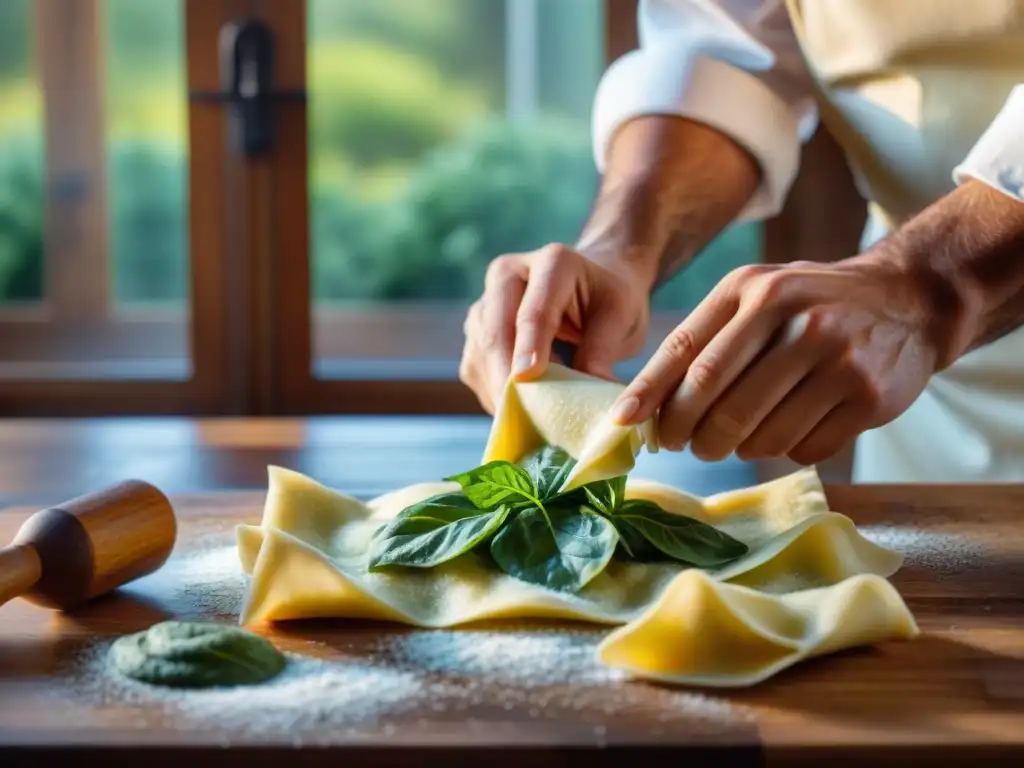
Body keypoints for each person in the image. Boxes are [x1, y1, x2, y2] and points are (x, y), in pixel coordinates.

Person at [459, 0, 1024, 484]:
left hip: (913, 315)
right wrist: (620, 245)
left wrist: (932, 281)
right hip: (936, 418)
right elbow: (728, 49)